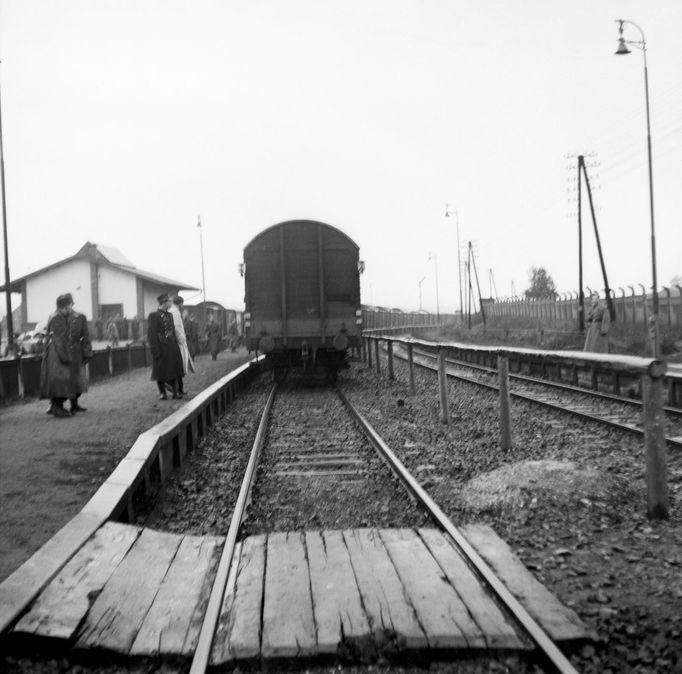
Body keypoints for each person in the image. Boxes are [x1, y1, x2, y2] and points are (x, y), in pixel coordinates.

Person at [40, 293, 93, 417]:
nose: (71, 308)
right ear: (65, 306)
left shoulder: (74, 317)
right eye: (69, 305)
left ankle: (69, 404)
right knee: (60, 379)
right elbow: (59, 339)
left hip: (68, 351)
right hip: (59, 353)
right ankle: (56, 407)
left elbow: (82, 336)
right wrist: (66, 355)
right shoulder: (56, 318)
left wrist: (86, 351)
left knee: (75, 379)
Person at [147, 293, 184, 400]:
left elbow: (172, 331)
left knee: (174, 370)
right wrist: (155, 350)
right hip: (161, 348)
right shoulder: (154, 315)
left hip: (172, 347)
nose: (170, 303)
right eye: (169, 301)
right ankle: (162, 392)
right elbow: (151, 335)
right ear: (163, 302)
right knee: (160, 371)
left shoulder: (170, 315)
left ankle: (175, 392)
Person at [170, 296, 194, 394]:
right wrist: (181, 339)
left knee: (179, 366)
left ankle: (179, 388)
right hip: (178, 343)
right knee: (180, 366)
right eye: (182, 304)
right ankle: (178, 389)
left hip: (176, 342)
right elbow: (176, 327)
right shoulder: (175, 312)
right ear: (180, 304)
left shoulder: (173, 311)